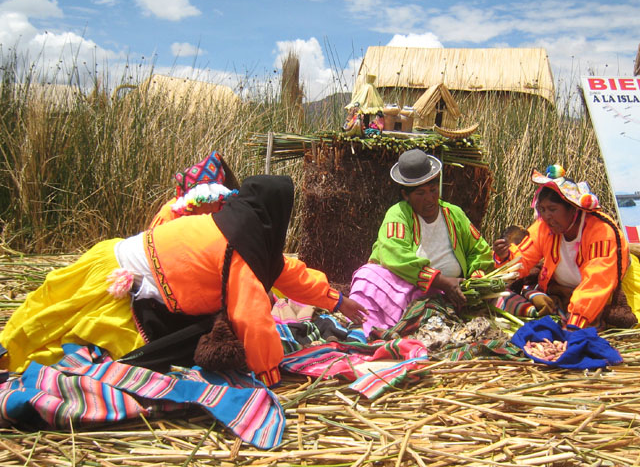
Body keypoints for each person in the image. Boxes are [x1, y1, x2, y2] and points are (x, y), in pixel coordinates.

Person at [0, 175, 368, 387]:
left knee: (50, 310)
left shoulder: (238, 230)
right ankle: (8, 355)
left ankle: (9, 348)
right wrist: (269, 375)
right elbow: (253, 318)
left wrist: (336, 300)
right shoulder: (239, 248)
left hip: (109, 256)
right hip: (118, 283)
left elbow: (286, 271)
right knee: (65, 328)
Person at [349, 149, 494, 336]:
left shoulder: (454, 214)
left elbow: (479, 250)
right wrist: (440, 281)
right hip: (406, 290)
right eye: (420, 193)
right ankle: (365, 329)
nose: (429, 199)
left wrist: (474, 280)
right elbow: (395, 254)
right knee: (367, 275)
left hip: (450, 295)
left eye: (433, 190)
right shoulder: (399, 213)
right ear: (406, 195)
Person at [493, 165, 638, 330]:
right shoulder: (544, 227)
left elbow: (597, 283)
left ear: (572, 208)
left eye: (553, 209)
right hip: (565, 293)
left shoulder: (601, 231)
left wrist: (574, 324)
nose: (546, 216)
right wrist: (505, 257)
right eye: (542, 210)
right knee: (508, 297)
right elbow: (523, 258)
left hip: (605, 292)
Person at [149, 151, 240, 228]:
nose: (209, 207)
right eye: (204, 200)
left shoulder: (224, 208)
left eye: (213, 200)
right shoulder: (169, 216)